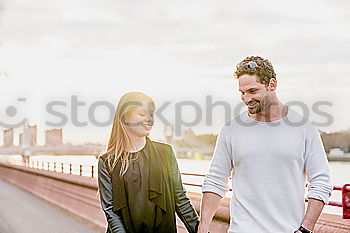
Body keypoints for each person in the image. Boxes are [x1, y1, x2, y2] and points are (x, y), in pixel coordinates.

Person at [198, 56, 333, 233]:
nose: (246, 98)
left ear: (272, 84)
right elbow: (216, 180)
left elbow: (321, 181)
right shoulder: (231, 129)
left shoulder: (304, 128)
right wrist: (204, 224)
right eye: (242, 92)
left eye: (253, 91)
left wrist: (306, 228)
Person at [98, 92, 199, 233]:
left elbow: (180, 199)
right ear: (125, 117)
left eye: (151, 114)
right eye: (142, 114)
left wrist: (199, 230)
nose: (149, 120)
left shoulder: (165, 153)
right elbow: (111, 211)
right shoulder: (107, 161)